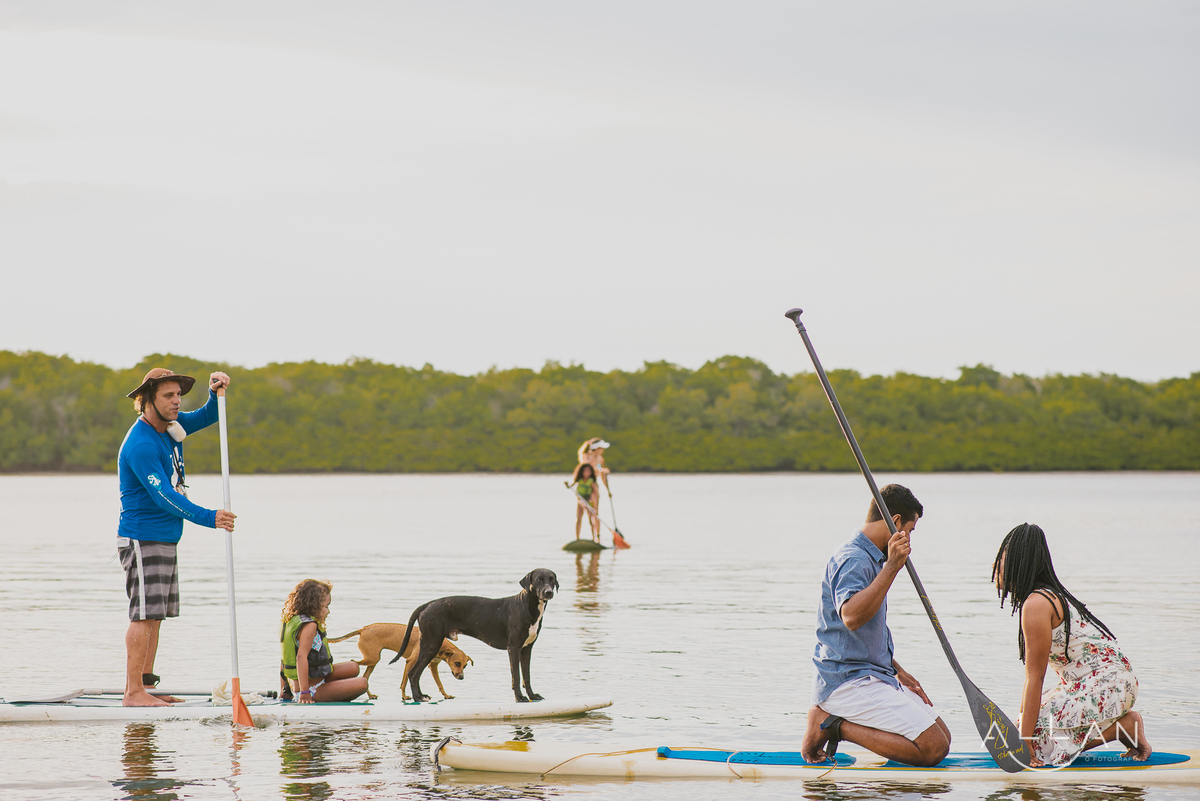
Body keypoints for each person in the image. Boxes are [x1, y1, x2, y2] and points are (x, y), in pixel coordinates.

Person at [800, 484, 952, 767]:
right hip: (846, 680)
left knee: (943, 735)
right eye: (910, 529)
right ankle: (830, 724)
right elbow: (851, 617)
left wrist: (898, 671)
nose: (909, 538)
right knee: (933, 747)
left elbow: (860, 636)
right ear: (895, 521)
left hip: (872, 672)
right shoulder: (853, 558)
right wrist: (892, 567)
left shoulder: (872, 559)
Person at [117, 368, 237, 707]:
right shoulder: (141, 444)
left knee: (155, 616)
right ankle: (132, 693)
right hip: (142, 538)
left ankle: (145, 687)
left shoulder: (171, 429)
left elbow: (209, 415)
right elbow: (164, 498)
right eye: (169, 396)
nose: (176, 402)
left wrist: (216, 393)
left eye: (178, 395)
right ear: (147, 400)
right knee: (143, 614)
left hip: (165, 538)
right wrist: (210, 517)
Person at [992, 523, 1150, 766]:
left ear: (1018, 562)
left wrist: (1026, 741)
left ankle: (1125, 727)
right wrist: (1022, 732)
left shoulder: (1037, 603)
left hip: (1107, 684)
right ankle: (1123, 726)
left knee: (1035, 745)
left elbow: (1035, 678)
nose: (994, 566)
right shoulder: (1044, 597)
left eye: (1001, 558)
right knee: (1019, 733)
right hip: (1106, 682)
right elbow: (1032, 683)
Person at [280, 579, 369, 703]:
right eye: (326, 606)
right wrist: (305, 693)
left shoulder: (291, 621)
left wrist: (284, 690)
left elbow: (284, 659)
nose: (328, 611)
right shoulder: (310, 626)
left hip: (305, 682)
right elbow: (300, 657)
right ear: (314, 605)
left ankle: (330, 688)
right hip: (310, 690)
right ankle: (322, 693)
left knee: (354, 667)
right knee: (362, 683)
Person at [568, 462, 601, 542]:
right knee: (579, 519)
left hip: (589, 501)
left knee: (591, 519)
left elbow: (596, 494)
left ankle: (594, 538)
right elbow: (572, 487)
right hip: (581, 501)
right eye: (585, 471)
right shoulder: (579, 480)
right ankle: (577, 538)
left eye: (588, 471)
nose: (586, 473)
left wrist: (595, 506)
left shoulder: (592, 482)